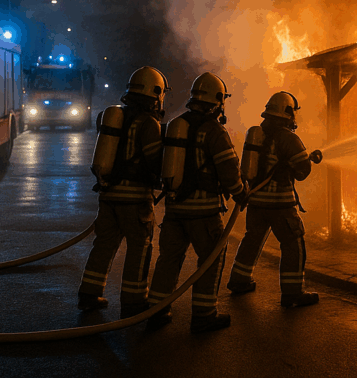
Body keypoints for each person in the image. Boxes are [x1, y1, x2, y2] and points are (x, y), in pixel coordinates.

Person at [147, 72, 246, 333]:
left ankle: (157, 311)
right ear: (217, 101)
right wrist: (240, 192)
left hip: (174, 210)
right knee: (211, 259)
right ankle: (204, 315)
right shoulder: (214, 131)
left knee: (169, 259)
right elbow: (228, 171)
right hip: (204, 213)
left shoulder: (174, 125)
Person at [78, 66, 168, 318]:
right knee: (139, 248)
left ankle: (88, 294)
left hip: (108, 196)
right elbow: (155, 162)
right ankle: (133, 301)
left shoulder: (115, 117)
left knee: (104, 244)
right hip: (135, 200)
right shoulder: (149, 124)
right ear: (156, 93)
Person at [227, 92, 323, 308]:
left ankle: (239, 281)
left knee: (252, 239)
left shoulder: (256, 134)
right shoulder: (288, 138)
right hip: (280, 204)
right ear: (288, 113)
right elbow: (302, 171)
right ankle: (293, 293)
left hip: (256, 203)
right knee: (293, 243)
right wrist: (304, 161)